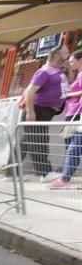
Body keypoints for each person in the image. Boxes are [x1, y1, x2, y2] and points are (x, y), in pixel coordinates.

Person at [23, 46, 71, 181]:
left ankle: (11, 171)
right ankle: (45, 172)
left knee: (27, 141)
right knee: (39, 140)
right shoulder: (44, 71)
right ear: (56, 55)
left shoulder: (57, 71)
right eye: (65, 52)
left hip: (46, 111)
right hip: (37, 110)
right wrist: (30, 112)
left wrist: (68, 70)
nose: (68, 54)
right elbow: (30, 92)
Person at [51, 50, 82, 190]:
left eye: (71, 61)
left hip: (76, 113)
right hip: (76, 113)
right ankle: (65, 177)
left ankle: (65, 178)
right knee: (73, 148)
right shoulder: (78, 74)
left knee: (73, 148)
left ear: (79, 60)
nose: (69, 63)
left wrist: (68, 94)